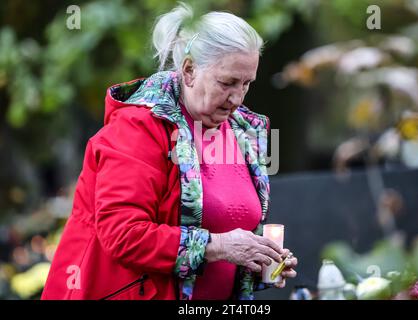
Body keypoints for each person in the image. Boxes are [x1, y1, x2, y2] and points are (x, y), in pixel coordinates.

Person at [41, 2, 297, 300]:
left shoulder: (242, 131)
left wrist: (259, 259)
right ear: (189, 70)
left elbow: (225, 239)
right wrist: (219, 246)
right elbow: (123, 234)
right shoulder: (138, 126)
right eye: (227, 83)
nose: (237, 98)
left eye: (247, 83)